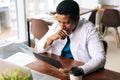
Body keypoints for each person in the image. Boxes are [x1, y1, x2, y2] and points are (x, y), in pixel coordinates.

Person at [36, 0, 106, 76]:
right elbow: (38, 48)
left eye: (67, 23)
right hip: (59, 69)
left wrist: (79, 71)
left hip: (81, 71)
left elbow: (100, 58)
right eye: (59, 21)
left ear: (77, 18)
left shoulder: (90, 30)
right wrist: (51, 38)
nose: (62, 26)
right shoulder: (57, 25)